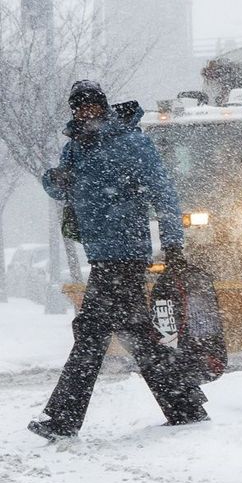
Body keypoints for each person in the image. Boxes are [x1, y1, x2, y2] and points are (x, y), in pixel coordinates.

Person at [27, 80, 208, 441]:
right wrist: (53, 179)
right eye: (79, 107)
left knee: (91, 333)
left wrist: (173, 244)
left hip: (126, 253)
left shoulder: (132, 143)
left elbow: (164, 193)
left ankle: (64, 419)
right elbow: (60, 189)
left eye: (92, 106)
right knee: (137, 333)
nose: (85, 112)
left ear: (104, 107)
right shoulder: (75, 149)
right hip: (100, 253)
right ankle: (185, 405)